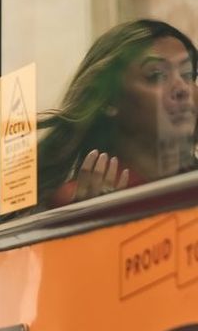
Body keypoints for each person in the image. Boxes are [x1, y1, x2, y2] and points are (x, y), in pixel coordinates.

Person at [38, 18, 198, 206]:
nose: (183, 89)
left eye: (188, 75)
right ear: (109, 101)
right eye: (157, 75)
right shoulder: (76, 202)